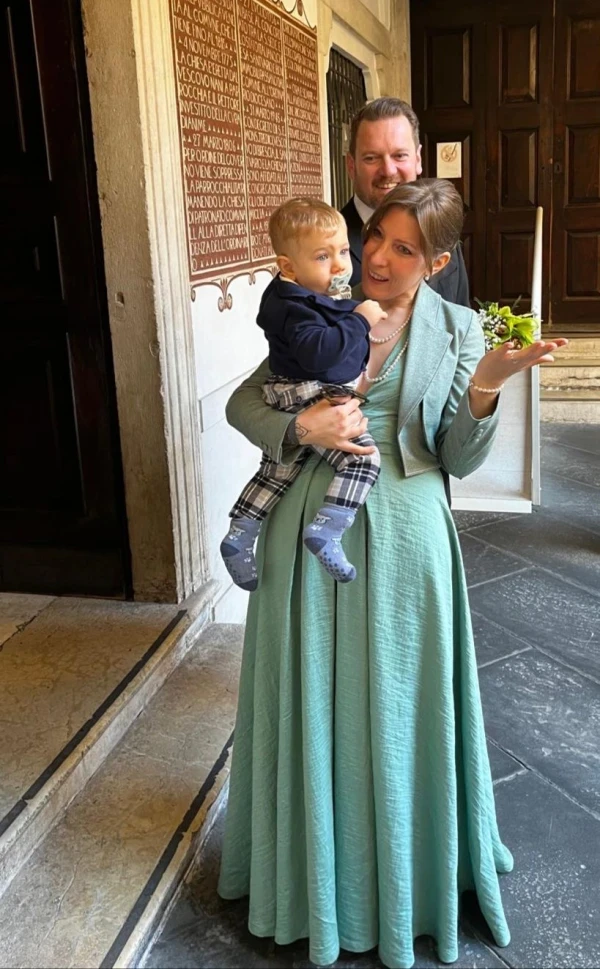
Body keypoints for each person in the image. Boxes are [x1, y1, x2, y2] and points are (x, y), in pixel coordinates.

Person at [217, 179, 567, 969]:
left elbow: (457, 457)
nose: (375, 255)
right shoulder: (317, 294)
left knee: (402, 711)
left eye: (402, 248)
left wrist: (488, 386)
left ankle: (406, 875)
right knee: (310, 701)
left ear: (436, 261)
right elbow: (246, 405)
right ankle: (307, 879)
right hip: (305, 531)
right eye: (374, 235)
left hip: (408, 539)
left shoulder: (459, 327)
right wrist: (299, 424)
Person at [220, 198, 388, 590]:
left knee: (279, 470)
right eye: (323, 256)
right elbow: (319, 353)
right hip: (306, 392)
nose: (340, 265)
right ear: (288, 266)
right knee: (363, 461)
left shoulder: (298, 295)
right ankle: (328, 529)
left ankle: (241, 531)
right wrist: (360, 320)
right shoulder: (297, 306)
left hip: (288, 389)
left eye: (344, 251)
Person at [341, 97, 470, 306]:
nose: (388, 170)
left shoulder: (439, 232)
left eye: (399, 155)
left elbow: (459, 319)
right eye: (371, 158)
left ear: (418, 159)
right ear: (351, 165)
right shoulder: (321, 245)